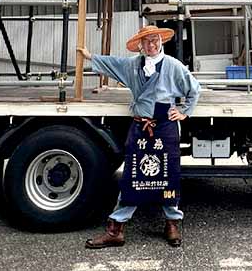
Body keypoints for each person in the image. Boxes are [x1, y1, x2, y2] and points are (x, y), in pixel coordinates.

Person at [79, 25, 200, 249]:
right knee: (132, 177)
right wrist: (90, 56)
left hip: (165, 127)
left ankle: (172, 223)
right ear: (141, 45)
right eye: (147, 41)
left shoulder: (173, 65)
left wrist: (184, 112)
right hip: (140, 126)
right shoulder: (133, 65)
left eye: (155, 40)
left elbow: (194, 89)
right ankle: (116, 229)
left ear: (160, 42)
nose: (152, 45)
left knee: (168, 176)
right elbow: (112, 62)